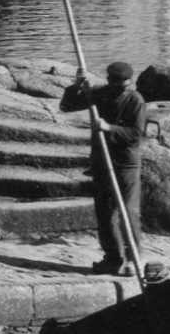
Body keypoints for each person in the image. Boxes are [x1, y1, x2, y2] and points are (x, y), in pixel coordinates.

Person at [59, 60, 147, 276]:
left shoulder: (135, 100)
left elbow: (136, 133)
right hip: (101, 162)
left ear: (130, 82)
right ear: (109, 80)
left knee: (129, 212)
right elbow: (67, 106)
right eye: (116, 83)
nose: (120, 88)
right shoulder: (100, 93)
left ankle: (133, 259)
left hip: (126, 163)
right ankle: (113, 258)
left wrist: (110, 128)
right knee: (105, 214)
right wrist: (77, 86)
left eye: (124, 84)